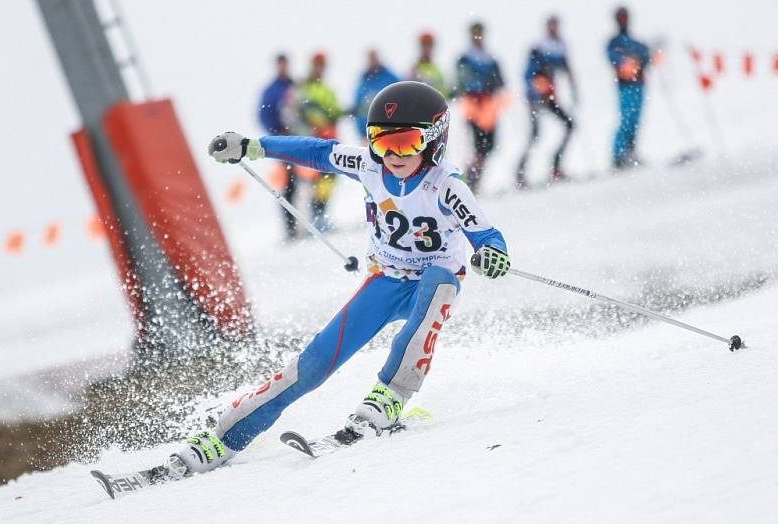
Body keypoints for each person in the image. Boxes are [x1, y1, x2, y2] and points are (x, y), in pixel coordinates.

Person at [162, 81, 511, 479]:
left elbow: (486, 235)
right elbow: (317, 152)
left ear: (433, 141)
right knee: (313, 364)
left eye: (405, 144)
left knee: (437, 288)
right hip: (386, 281)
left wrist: (493, 254)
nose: (391, 155)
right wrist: (254, 146)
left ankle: (391, 396)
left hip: (433, 281)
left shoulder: (446, 184)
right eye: (381, 142)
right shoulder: (369, 165)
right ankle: (227, 435)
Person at [515, 15, 578, 189]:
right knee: (535, 134)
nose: (554, 29)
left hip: (549, 97)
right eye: (552, 26)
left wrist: (574, 89)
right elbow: (528, 74)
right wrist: (534, 92)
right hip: (536, 98)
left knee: (570, 125)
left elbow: (567, 69)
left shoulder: (560, 47)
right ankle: (520, 172)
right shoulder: (539, 48)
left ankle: (555, 166)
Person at [293, 52, 343, 230]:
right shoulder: (305, 88)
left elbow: (335, 111)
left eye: (323, 65)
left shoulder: (326, 89)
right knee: (315, 178)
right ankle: (316, 218)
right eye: (318, 65)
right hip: (315, 140)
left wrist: (339, 113)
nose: (320, 69)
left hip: (330, 139)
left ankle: (321, 215)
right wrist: (319, 120)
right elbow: (303, 112)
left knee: (329, 178)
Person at [456, 22, 506, 193]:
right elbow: (460, 82)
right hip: (474, 107)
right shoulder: (465, 58)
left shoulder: (490, 57)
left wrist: (493, 85)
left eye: (480, 33)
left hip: (489, 107)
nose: (477, 36)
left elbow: (500, 80)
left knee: (489, 146)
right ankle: (471, 180)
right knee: (479, 145)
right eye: (475, 33)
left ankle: (474, 178)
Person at [258, 53, 299, 240]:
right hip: (284, 143)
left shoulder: (295, 85)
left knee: (309, 181)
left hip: (301, 139)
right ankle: (290, 227)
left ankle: (312, 220)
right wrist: (277, 131)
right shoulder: (271, 91)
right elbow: (263, 115)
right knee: (288, 185)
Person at [607, 6, 650, 169]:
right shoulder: (614, 42)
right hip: (625, 85)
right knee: (626, 118)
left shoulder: (636, 42)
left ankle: (630, 151)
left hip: (639, 84)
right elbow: (614, 58)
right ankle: (618, 155)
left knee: (635, 120)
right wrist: (630, 59)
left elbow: (646, 57)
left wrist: (642, 58)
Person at [352, 50, 400, 141]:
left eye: (374, 57)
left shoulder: (390, 78)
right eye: (370, 58)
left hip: (389, 133)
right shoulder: (363, 82)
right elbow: (358, 108)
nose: (372, 61)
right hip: (367, 136)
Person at [410, 32, 449, 97]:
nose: (427, 49)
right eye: (424, 45)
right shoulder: (414, 70)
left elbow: (445, 92)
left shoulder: (438, 70)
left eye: (429, 45)